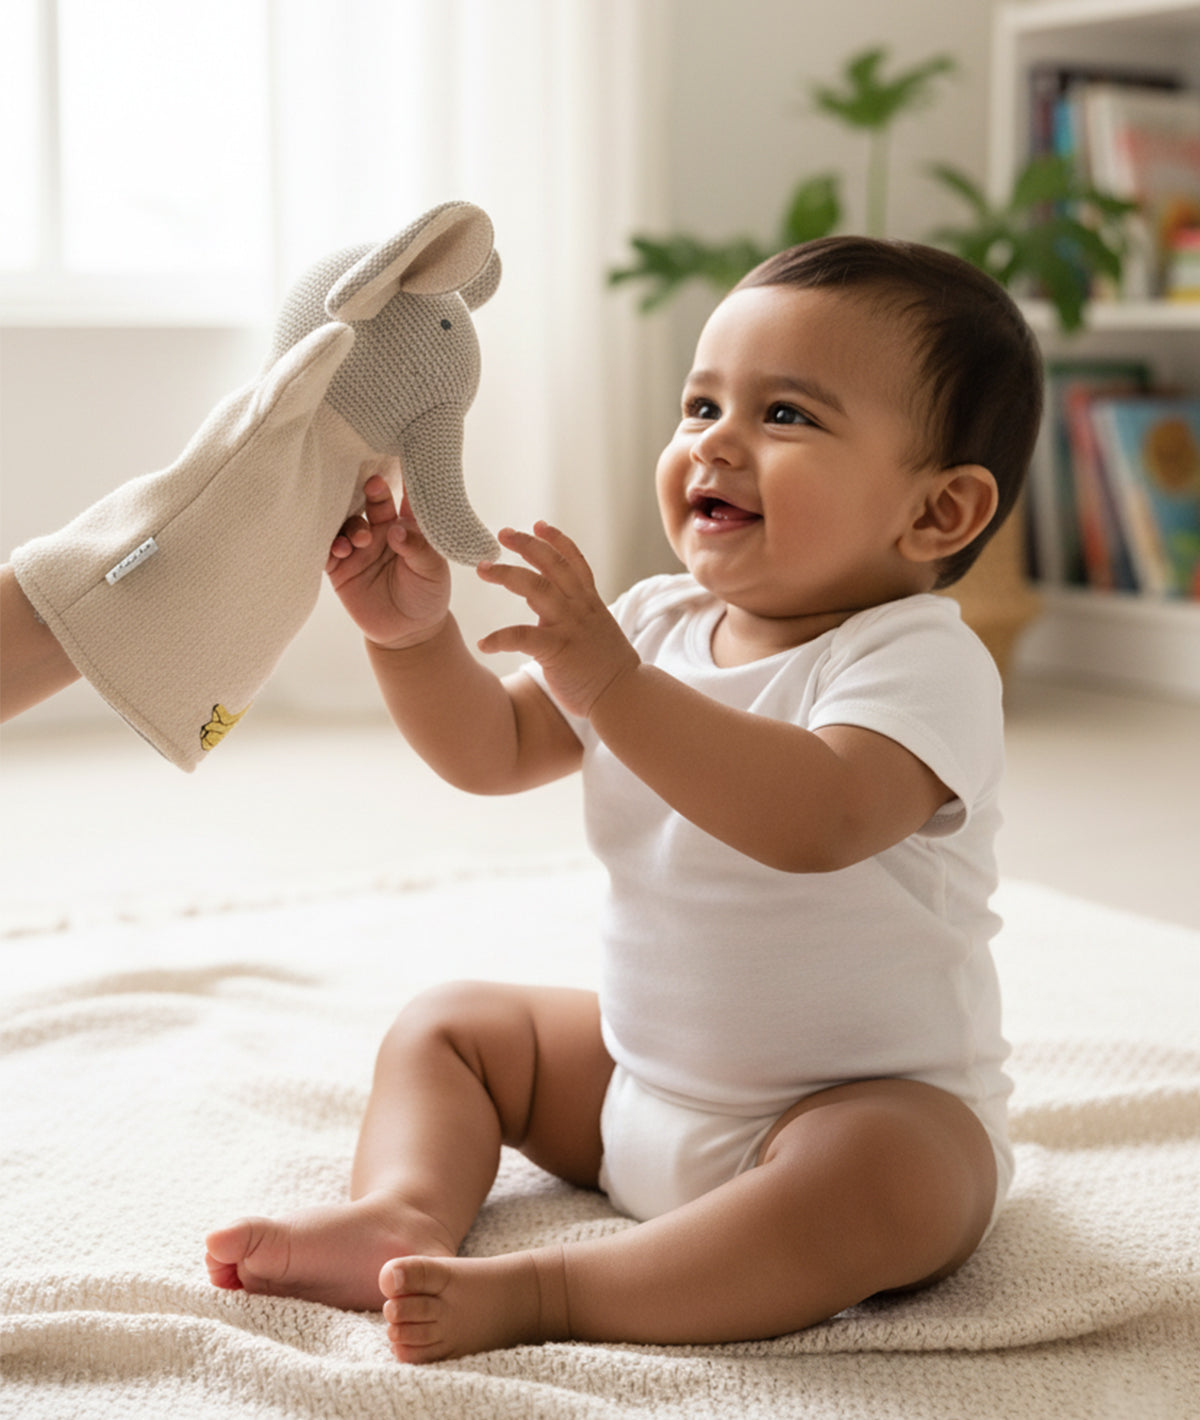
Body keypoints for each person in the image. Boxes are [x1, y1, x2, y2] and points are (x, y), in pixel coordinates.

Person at [204, 236, 1044, 1364]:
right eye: (701, 405)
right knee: (453, 1026)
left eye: (785, 415)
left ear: (939, 513)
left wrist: (612, 686)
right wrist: (411, 640)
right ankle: (402, 1209)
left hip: (844, 1111)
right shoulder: (651, 623)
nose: (716, 443)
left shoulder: (920, 661)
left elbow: (821, 817)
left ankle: (553, 1290)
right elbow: (496, 748)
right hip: (636, 1085)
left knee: (897, 1179)